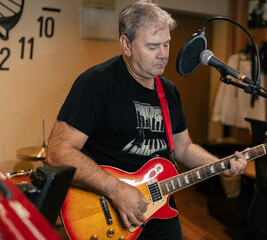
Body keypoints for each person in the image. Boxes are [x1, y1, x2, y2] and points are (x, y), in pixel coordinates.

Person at [45, 1, 248, 239]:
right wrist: (117, 189)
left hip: (160, 212)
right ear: (126, 44)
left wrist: (222, 164)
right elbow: (58, 152)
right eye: (153, 47)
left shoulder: (169, 92)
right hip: (110, 212)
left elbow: (184, 148)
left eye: (166, 44)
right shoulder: (97, 83)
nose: (163, 55)